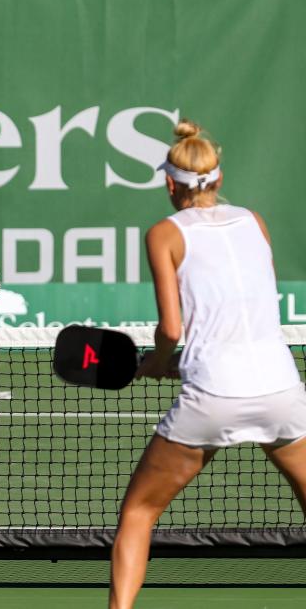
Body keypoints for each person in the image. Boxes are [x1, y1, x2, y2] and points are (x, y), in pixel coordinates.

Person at [108, 119, 306, 608]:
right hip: (281, 389)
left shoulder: (164, 234)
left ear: (170, 184)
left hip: (214, 396)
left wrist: (156, 362)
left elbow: (172, 331)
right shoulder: (255, 220)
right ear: (217, 180)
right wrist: (181, 359)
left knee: (138, 513)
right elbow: (249, 309)